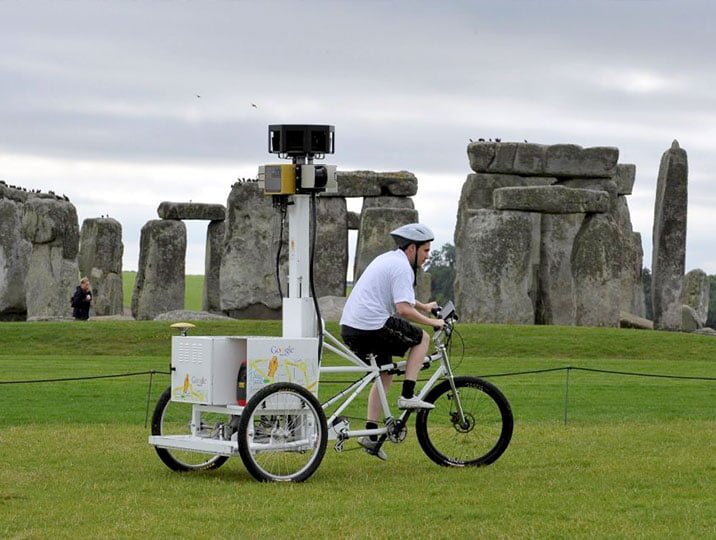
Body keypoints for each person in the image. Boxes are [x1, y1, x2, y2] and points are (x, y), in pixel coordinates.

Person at [340, 223, 445, 460]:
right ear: (412, 248)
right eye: (426, 250)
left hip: (352, 327)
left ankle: (371, 435)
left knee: (384, 374)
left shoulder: (391, 260)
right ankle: (408, 396)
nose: (428, 256)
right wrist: (433, 323)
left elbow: (404, 298)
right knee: (422, 339)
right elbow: (403, 309)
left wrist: (424, 306)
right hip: (371, 326)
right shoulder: (401, 268)